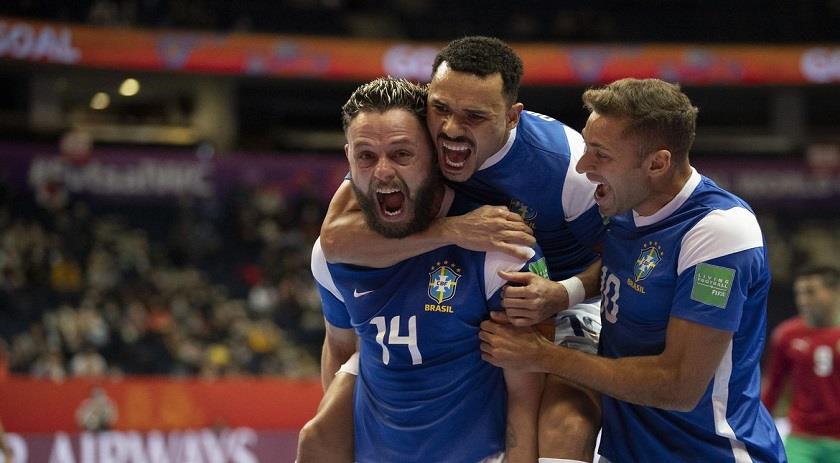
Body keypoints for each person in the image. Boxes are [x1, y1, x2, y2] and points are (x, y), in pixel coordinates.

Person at [318, 36, 606, 463]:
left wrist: (564, 293)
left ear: (511, 117)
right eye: (442, 109)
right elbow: (335, 240)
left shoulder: (567, 165)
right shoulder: (411, 138)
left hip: (564, 300)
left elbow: (626, 261)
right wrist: (454, 230)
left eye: (474, 116)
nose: (451, 129)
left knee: (565, 427)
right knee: (318, 435)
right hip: (467, 297)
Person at [478, 77, 788, 462]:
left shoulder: (719, 234)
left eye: (600, 154)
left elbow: (678, 386)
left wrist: (542, 355)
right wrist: (566, 292)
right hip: (628, 451)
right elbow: (620, 266)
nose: (582, 165)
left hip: (711, 453)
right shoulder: (628, 208)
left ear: (657, 163)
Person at [299, 76, 545, 463]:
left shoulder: (498, 243)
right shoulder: (332, 254)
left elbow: (525, 395)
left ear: (433, 154)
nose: (382, 172)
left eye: (401, 154)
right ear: (348, 157)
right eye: (366, 156)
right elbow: (342, 348)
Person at [762, 265, 840, 462]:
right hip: (802, 438)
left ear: (834, 291)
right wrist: (759, 427)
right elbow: (773, 386)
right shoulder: (786, 335)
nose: (803, 300)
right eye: (799, 293)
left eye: (811, 292)